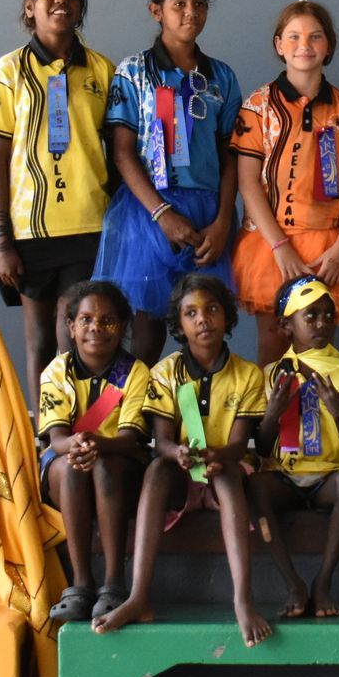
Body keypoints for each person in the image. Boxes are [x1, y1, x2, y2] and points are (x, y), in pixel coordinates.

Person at [95, 274, 271, 642]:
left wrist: (218, 455)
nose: (203, 319)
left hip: (227, 470)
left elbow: (240, 445)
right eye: (191, 313)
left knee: (226, 473)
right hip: (180, 473)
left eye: (211, 309)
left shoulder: (248, 374)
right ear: (179, 325)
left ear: (226, 317)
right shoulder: (164, 373)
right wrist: (178, 451)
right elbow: (160, 442)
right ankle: (138, 596)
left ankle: (242, 599)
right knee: (157, 468)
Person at [0, 0, 117, 403]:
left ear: (80, 10)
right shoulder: (8, 69)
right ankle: (46, 441)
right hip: (29, 231)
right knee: (38, 342)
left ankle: (82, 434)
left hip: (89, 226)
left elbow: (120, 152)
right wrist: (1, 241)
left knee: (73, 340)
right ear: (29, 8)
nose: (60, 1)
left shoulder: (102, 70)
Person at [94, 0, 243, 364]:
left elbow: (232, 153)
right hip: (148, 213)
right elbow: (122, 152)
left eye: (199, 4)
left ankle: (194, 421)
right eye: (179, 3)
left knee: (203, 325)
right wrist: (161, 214)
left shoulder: (222, 77)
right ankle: (133, 421)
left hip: (209, 213)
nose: (190, 12)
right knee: (146, 333)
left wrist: (225, 218)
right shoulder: (133, 72)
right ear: (156, 11)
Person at [232, 0, 339, 361]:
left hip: (328, 248)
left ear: (329, 45)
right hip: (271, 246)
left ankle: (317, 418)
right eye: (294, 36)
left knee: (317, 348)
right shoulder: (258, 105)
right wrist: (280, 247)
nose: (305, 44)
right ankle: (271, 418)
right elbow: (248, 183)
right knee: (273, 344)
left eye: (315, 36)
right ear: (279, 45)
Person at [249, 275, 339, 619]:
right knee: (254, 487)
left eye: (329, 316)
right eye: (310, 316)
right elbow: (262, 449)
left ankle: (323, 582)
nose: (322, 324)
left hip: (325, 477)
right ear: (286, 326)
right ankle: (292, 583)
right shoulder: (269, 374)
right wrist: (272, 415)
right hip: (283, 475)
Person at [36, 280, 151, 627]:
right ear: (71, 327)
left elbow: (131, 438)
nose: (95, 328)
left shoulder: (136, 372)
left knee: (103, 468)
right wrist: (79, 445)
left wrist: (97, 446)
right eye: (85, 320)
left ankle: (114, 582)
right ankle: (82, 583)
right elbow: (56, 440)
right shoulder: (56, 372)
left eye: (108, 320)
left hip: (118, 463)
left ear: (123, 326)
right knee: (72, 467)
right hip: (67, 463)